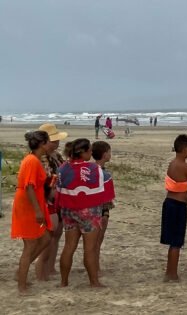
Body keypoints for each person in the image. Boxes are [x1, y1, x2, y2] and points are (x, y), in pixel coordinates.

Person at [57, 137, 114, 287]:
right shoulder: (95, 169)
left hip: (68, 211)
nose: (91, 152)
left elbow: (58, 191)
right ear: (83, 152)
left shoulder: (62, 168)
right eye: (89, 150)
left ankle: (64, 282)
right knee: (89, 249)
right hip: (89, 212)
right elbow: (108, 196)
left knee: (69, 247)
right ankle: (94, 282)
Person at [12, 130, 53, 294]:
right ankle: (22, 285)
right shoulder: (31, 161)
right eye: (49, 141)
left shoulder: (35, 159)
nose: (51, 144)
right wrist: (37, 210)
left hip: (34, 202)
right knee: (30, 245)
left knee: (46, 238)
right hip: (28, 205)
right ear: (43, 144)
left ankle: (21, 272)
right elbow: (29, 187)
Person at [161, 134, 187, 281]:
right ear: (185, 149)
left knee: (172, 241)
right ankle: (172, 273)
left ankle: (169, 272)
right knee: (177, 241)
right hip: (178, 206)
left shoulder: (172, 164)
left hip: (169, 203)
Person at [36, 122, 67, 282]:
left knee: (57, 233)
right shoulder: (40, 157)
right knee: (48, 235)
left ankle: (51, 266)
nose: (57, 143)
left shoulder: (56, 155)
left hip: (58, 197)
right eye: (54, 140)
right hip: (48, 199)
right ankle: (43, 269)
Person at [90, 141, 114, 262]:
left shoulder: (90, 170)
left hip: (92, 209)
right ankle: (95, 265)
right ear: (105, 154)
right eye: (109, 152)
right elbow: (108, 198)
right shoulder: (104, 174)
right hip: (100, 210)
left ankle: (95, 264)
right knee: (97, 241)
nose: (111, 154)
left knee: (93, 242)